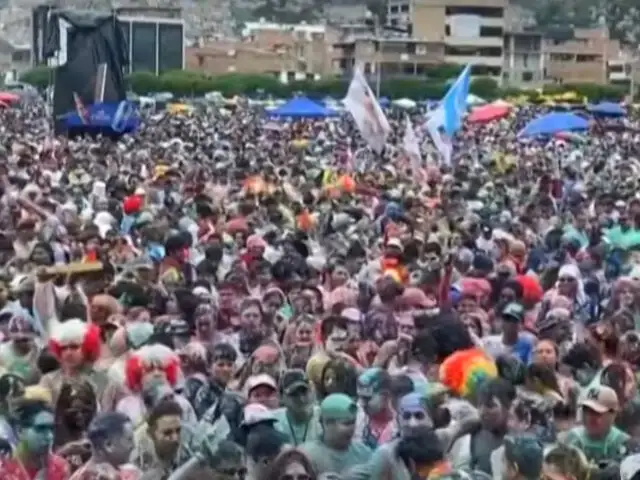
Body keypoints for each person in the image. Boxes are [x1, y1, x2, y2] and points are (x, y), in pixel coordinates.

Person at [300, 393, 372, 475]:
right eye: (346, 423)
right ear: (327, 423)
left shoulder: (364, 453)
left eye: (353, 422)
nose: (351, 429)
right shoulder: (307, 455)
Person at [560, 385, 633, 463]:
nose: (589, 417)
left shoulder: (624, 443)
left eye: (597, 412)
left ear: (613, 414)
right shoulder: (570, 439)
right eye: (586, 410)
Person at [0, 399, 70, 480]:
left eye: (52, 429)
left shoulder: (60, 467)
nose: (49, 436)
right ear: (20, 431)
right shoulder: (4, 471)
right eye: (41, 428)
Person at [69, 411, 138, 480]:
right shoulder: (84, 477)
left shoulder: (126, 471)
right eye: (129, 440)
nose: (133, 445)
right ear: (108, 445)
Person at [272, 369, 321, 446]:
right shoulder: (274, 423)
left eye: (304, 392)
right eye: (294, 394)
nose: (301, 399)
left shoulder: (323, 418)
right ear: (281, 397)